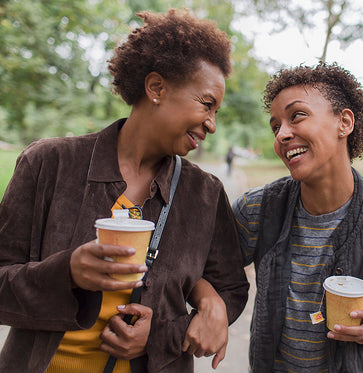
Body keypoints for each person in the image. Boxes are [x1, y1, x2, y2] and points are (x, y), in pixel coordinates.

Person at [0, 8, 248, 373]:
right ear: (156, 88)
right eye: (206, 104)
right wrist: (65, 272)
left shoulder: (204, 193)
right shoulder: (48, 164)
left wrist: (168, 331)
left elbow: (231, 290)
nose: (211, 124)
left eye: (217, 111)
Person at [232, 63, 363, 372]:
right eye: (275, 126)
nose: (282, 134)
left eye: (297, 116)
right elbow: (209, 269)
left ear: (343, 122)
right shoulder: (258, 209)